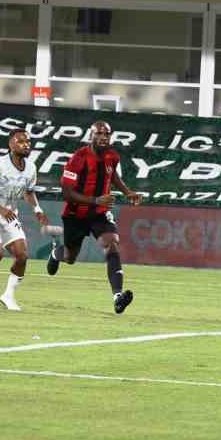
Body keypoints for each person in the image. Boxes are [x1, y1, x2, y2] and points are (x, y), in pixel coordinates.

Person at [46, 120, 141, 313]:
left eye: (107, 134)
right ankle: (56, 253)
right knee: (70, 257)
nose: (103, 137)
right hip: (76, 214)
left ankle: (117, 296)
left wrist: (127, 192)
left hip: (99, 213)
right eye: (99, 134)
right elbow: (66, 193)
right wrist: (97, 200)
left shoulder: (112, 156)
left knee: (111, 243)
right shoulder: (78, 158)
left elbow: (112, 175)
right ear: (91, 135)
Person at [0, 129, 49, 311]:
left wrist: (37, 209)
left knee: (22, 255)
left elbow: (29, 192)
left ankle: (8, 296)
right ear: (11, 144)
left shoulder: (31, 168)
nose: (26, 144)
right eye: (21, 141)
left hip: (9, 215)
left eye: (28, 141)